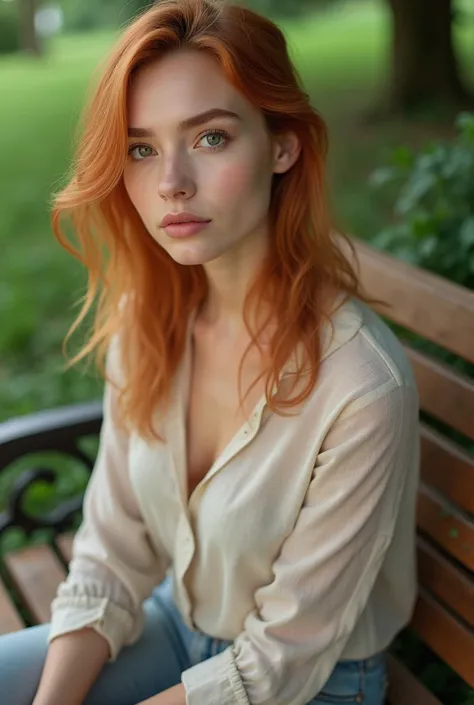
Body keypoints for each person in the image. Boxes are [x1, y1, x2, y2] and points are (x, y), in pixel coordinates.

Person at [0, 0, 420, 703]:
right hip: (172, 622)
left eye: (212, 137)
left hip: (309, 682)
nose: (170, 183)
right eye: (141, 149)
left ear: (282, 145)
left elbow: (279, 662)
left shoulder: (361, 386)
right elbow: (111, 551)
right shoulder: (147, 321)